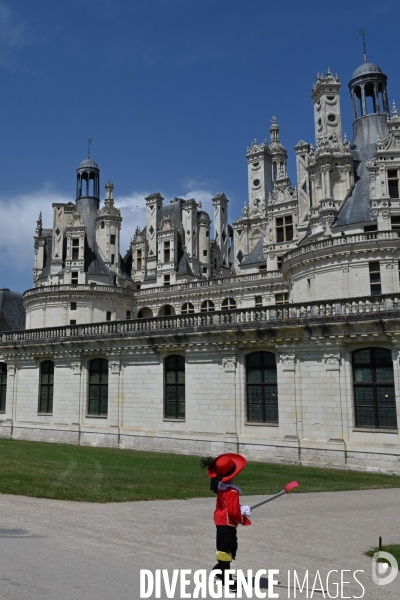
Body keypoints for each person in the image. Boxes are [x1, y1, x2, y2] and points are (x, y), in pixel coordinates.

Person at [201, 453, 251, 592]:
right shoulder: (232, 491)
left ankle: (219, 569)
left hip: (221, 521)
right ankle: (226, 580)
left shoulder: (221, 488)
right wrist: (242, 513)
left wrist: (240, 508)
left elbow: (226, 506)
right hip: (227, 523)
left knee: (224, 547)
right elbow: (233, 512)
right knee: (227, 549)